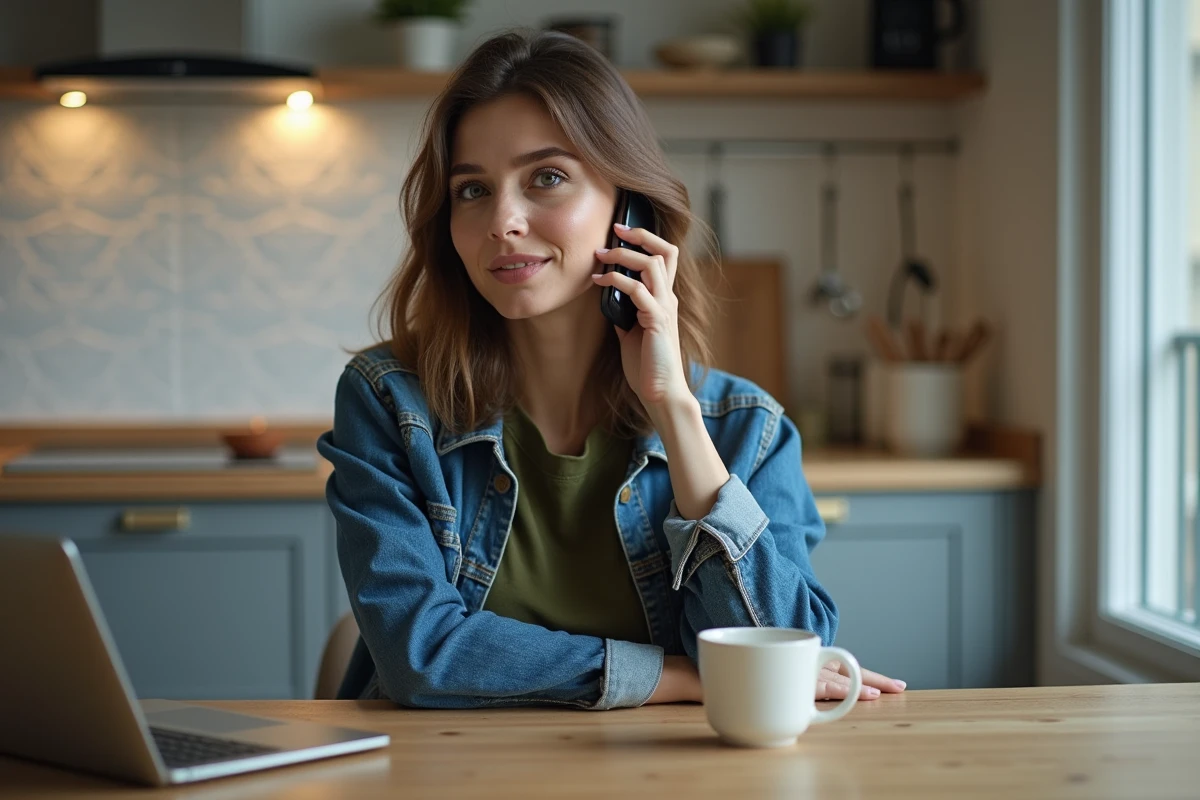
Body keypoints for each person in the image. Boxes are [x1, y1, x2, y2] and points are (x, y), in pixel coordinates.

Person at [317, 28, 905, 709]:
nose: (502, 220)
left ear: (628, 210)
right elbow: (421, 655)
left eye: (548, 177)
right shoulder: (392, 403)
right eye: (472, 190)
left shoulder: (749, 432)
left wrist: (673, 409)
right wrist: (683, 677)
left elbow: (781, 659)